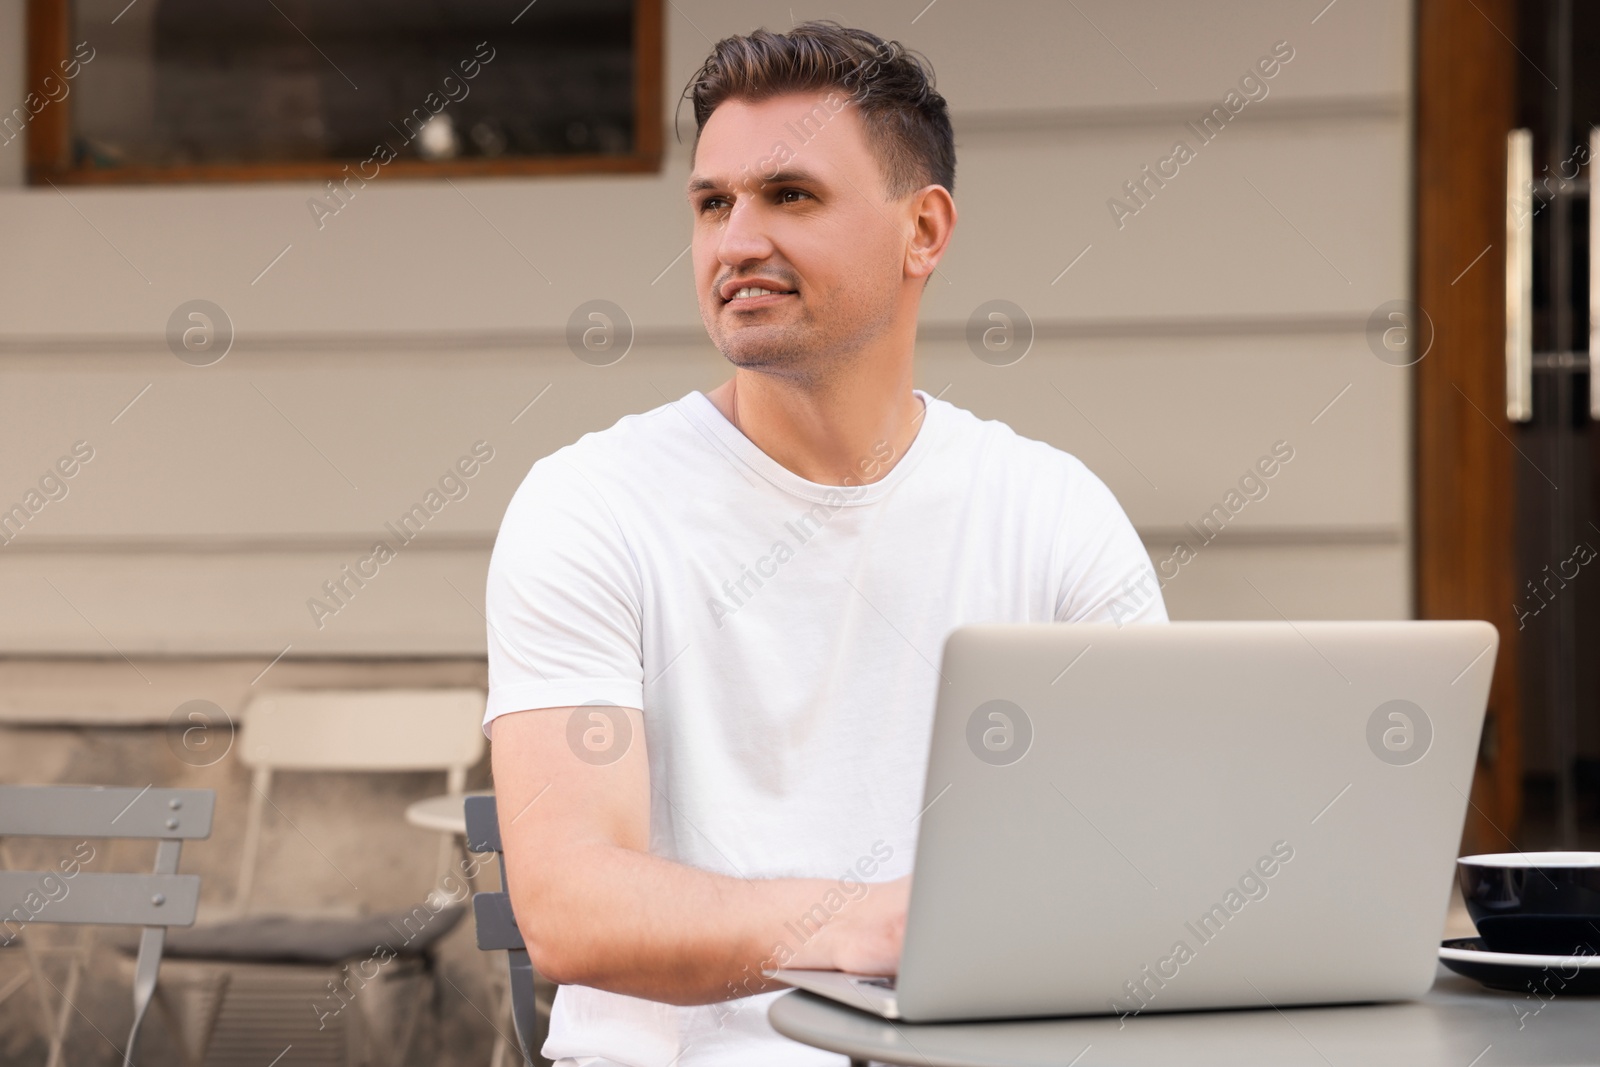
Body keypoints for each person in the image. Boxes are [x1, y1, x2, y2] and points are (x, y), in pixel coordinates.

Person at [483, 20, 1167, 1066]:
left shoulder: (1052, 511)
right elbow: (570, 904)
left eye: (788, 195)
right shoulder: (590, 505)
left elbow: (1141, 856)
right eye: (713, 203)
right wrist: (864, 927)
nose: (734, 241)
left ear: (923, 231)